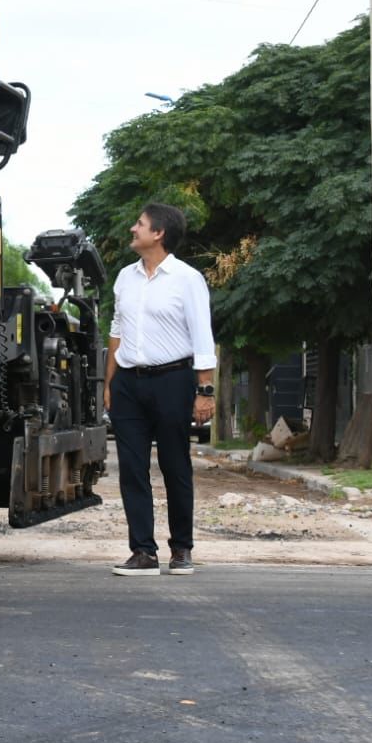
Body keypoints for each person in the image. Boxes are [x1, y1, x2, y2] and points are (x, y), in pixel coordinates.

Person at [103, 203, 216, 576]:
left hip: (173, 381)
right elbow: (116, 330)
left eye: (140, 224)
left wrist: (205, 390)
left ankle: (181, 549)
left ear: (159, 233)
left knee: (175, 465)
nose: (133, 229)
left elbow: (202, 336)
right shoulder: (125, 277)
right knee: (131, 468)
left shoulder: (187, 279)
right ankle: (143, 552)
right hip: (128, 384)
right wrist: (109, 383)